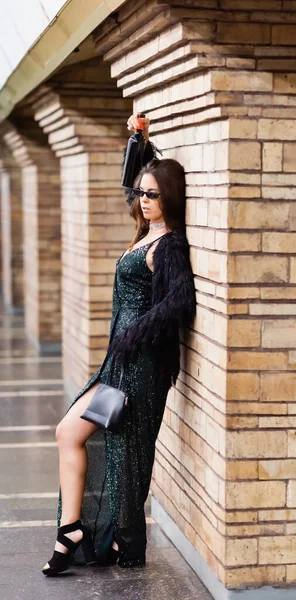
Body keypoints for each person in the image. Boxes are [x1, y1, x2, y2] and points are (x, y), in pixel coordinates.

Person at [42, 114, 196, 575]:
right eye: (142, 193)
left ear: (169, 196)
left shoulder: (168, 246)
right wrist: (139, 141)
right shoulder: (145, 231)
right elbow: (131, 182)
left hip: (140, 368)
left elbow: (181, 301)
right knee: (69, 433)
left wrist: (137, 332)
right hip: (119, 364)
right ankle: (72, 528)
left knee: (125, 455)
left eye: (153, 194)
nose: (143, 200)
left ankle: (118, 542)